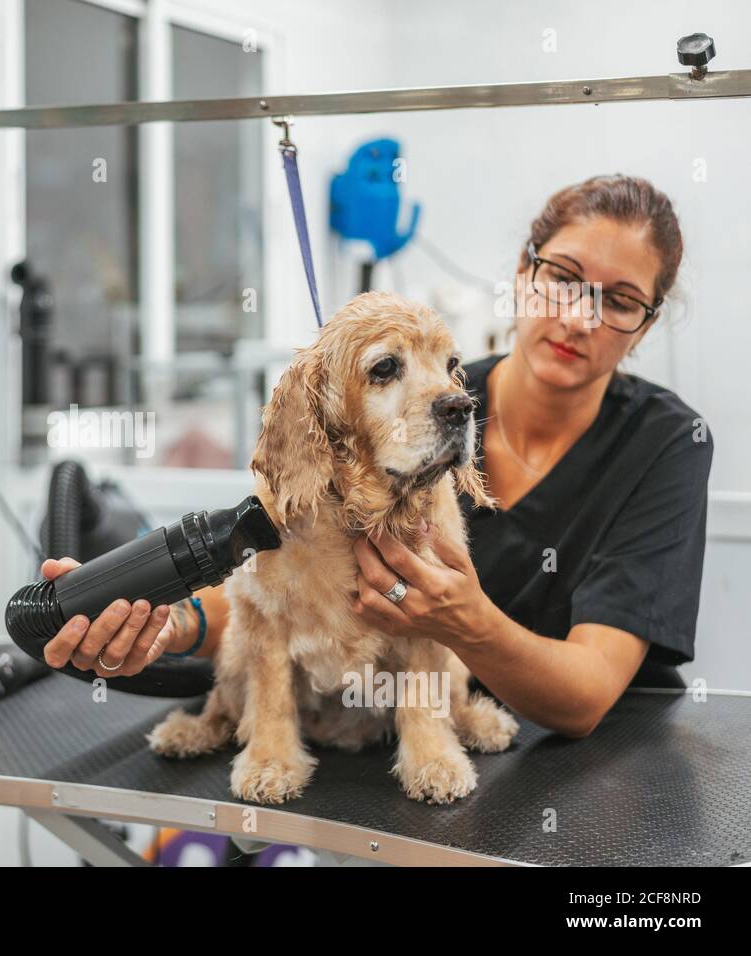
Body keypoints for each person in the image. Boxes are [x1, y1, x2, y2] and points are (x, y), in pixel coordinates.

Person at [40, 174, 713, 738]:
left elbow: (589, 693)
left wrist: (468, 623)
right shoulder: (410, 399)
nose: (579, 318)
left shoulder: (665, 444)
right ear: (522, 273)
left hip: (603, 764)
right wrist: (167, 624)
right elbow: (287, 589)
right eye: (562, 278)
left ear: (646, 324)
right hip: (388, 741)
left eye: (621, 301)